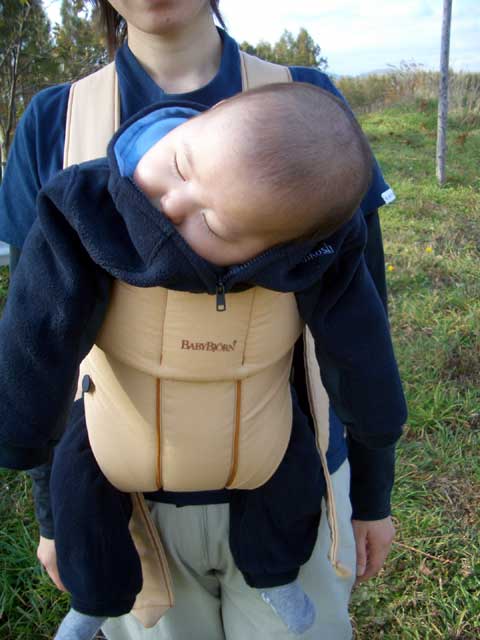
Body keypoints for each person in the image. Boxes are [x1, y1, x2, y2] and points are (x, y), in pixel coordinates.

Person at [0, 2, 401, 638]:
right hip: (125, 501)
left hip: (290, 484)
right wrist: (56, 519)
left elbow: (362, 329)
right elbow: (35, 336)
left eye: (212, 222)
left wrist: (372, 496)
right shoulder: (55, 120)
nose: (171, 203)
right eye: (180, 168)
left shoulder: (308, 105)